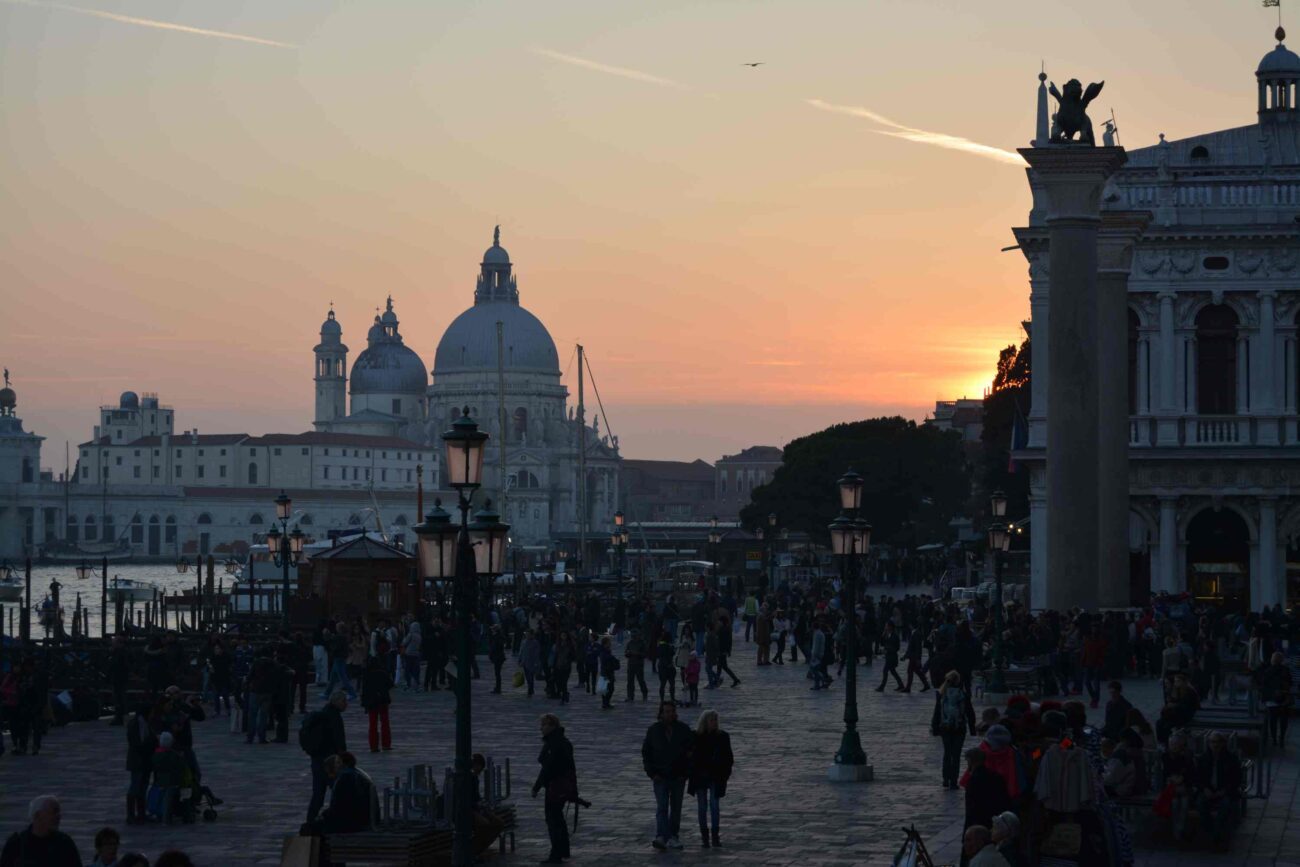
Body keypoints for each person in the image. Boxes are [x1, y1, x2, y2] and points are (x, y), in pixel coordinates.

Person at [642, 700, 694, 851]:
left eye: (672, 711)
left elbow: (691, 752)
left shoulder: (683, 729)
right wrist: (652, 773)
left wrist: (685, 773)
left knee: (676, 808)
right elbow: (646, 753)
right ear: (661, 714)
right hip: (660, 775)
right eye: (667, 711)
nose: (670, 714)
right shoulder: (654, 730)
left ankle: (672, 836)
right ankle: (662, 836)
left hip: (678, 776)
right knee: (662, 807)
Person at [532, 713, 578, 865]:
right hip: (561, 786)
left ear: (552, 726)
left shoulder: (555, 743)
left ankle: (556, 853)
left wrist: (537, 786)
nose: (541, 728)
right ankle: (562, 850)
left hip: (555, 787)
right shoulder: (561, 742)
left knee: (553, 820)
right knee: (558, 819)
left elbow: (548, 768)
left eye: (544, 725)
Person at [688, 710, 734, 849]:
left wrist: (724, 774)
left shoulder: (722, 736)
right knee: (702, 807)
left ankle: (715, 836)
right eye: (711, 720)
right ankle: (705, 837)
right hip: (700, 775)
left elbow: (728, 758)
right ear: (705, 722)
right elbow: (690, 756)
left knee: (715, 806)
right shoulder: (696, 736)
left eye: (715, 720)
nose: (714, 723)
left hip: (716, 775)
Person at [0, 795, 82, 867]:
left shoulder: (65, 843)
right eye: (54, 812)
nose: (59, 816)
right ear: (37, 815)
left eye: (59, 812)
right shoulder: (16, 843)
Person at [305, 691, 349, 822]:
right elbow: (339, 740)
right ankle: (337, 819)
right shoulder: (334, 716)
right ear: (337, 702)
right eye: (344, 701)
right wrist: (344, 759)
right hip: (330, 761)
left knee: (318, 794)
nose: (346, 704)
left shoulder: (323, 713)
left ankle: (310, 821)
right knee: (339, 791)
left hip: (317, 759)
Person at [1196, 731, 1242, 849]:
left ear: (1223, 743)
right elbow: (1198, 778)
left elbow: (1236, 779)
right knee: (1201, 804)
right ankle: (1210, 831)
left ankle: (1215, 836)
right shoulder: (1203, 758)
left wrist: (1224, 790)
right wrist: (1205, 788)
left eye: (1217, 742)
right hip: (1208, 791)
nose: (1215, 745)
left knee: (1226, 806)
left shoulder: (1231, 759)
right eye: (1212, 742)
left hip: (1225, 791)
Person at [931, 670, 975, 789]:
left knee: (947, 753)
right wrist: (972, 729)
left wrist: (935, 727)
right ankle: (954, 781)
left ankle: (945, 779)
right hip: (959, 727)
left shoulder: (941, 693)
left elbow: (937, 712)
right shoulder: (963, 694)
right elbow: (970, 712)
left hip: (945, 727)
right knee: (956, 755)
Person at [962, 749, 1010, 833]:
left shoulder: (973, 781)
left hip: (979, 824)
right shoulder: (997, 777)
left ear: (971, 761)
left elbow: (971, 810)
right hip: (994, 821)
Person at [125, 702, 157, 825]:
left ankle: (141, 813)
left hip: (146, 761)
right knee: (135, 787)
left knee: (142, 788)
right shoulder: (135, 724)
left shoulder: (147, 724)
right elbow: (136, 744)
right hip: (138, 760)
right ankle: (131, 815)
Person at [1257, 651, 1293, 747]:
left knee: (1273, 721)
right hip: (1284, 699)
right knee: (1283, 721)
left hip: (1272, 700)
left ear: (1272, 660)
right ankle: (1281, 738)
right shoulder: (1286, 670)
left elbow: (1263, 686)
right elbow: (1290, 683)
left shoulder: (1267, 671)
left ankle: (1274, 739)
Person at [361, 656, 392, 753]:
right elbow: (390, 684)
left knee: (373, 724)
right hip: (382, 700)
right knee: (385, 723)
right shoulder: (383, 673)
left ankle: (373, 746)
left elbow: (364, 690)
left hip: (371, 702)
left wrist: (364, 703)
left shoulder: (367, 675)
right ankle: (386, 744)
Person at [876, 621, 905, 692]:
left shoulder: (895, 636)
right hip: (888, 656)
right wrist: (883, 635)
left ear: (890, 627)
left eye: (887, 626)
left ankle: (882, 687)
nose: (885, 627)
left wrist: (888, 650)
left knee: (885, 671)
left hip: (892, 657)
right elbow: (883, 643)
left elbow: (897, 647)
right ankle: (901, 685)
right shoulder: (887, 635)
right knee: (893, 671)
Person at [624, 629, 649, 702]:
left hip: (639, 664)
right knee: (630, 681)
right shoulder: (630, 643)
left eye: (635, 636)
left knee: (641, 680)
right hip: (631, 664)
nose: (634, 637)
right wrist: (628, 653)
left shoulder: (642, 643)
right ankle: (630, 696)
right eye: (633, 636)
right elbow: (626, 652)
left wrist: (638, 654)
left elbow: (645, 654)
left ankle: (645, 694)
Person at [599, 635, 620, 709]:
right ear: (605, 643)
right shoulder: (603, 651)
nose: (610, 644)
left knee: (609, 688)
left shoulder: (607, 650)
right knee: (608, 689)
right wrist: (613, 658)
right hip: (606, 672)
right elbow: (605, 659)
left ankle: (606, 703)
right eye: (609, 642)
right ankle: (605, 703)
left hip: (608, 671)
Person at [656, 630, 676, 702]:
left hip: (661, 666)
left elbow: (658, 655)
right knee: (672, 684)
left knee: (662, 684)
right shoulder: (669, 646)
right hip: (669, 667)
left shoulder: (659, 646)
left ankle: (662, 699)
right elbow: (672, 653)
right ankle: (672, 698)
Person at [519, 630, 541, 697]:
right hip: (524, 661)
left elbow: (537, 654)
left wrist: (536, 662)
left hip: (532, 662)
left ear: (532, 635)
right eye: (526, 634)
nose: (527, 636)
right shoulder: (524, 642)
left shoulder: (535, 643)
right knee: (527, 677)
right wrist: (520, 660)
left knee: (531, 676)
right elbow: (521, 651)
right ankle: (530, 688)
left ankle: (530, 690)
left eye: (529, 634)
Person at [487, 624, 507, 694]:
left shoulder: (497, 637)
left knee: (497, 673)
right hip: (499, 657)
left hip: (498, 657)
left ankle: (498, 688)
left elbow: (495, 647)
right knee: (497, 673)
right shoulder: (498, 637)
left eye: (493, 629)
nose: (491, 630)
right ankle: (497, 688)